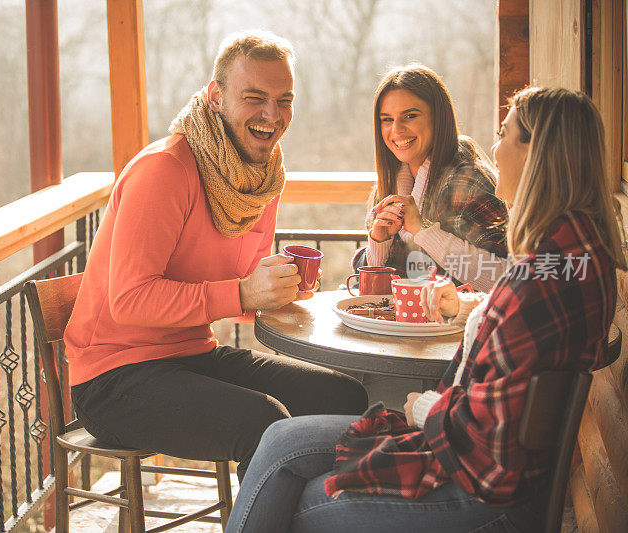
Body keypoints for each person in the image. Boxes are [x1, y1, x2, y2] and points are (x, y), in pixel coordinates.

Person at [225, 86, 626, 532]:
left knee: (293, 501)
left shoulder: (537, 272)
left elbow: (487, 441)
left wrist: (422, 409)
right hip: (481, 453)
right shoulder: (574, 253)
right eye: (387, 119)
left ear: (539, 153)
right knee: (281, 437)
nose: (494, 148)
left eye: (504, 133)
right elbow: (514, 317)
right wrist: (466, 303)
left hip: (480, 487)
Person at [63, 30, 368, 482]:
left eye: (284, 100)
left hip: (191, 355)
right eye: (254, 98)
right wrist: (244, 291)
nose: (272, 115)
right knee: (263, 421)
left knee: (346, 398)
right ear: (216, 97)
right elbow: (128, 301)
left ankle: (320, 517)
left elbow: (236, 296)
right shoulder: (165, 171)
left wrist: (277, 292)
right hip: (113, 378)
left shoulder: (261, 180)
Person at [354, 64, 510, 293]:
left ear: (438, 118)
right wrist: (378, 243)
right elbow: (370, 294)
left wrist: (424, 231)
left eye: (410, 116)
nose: (396, 129)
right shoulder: (388, 186)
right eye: (387, 119)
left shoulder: (468, 181)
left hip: (459, 326)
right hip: (403, 325)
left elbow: (506, 278)